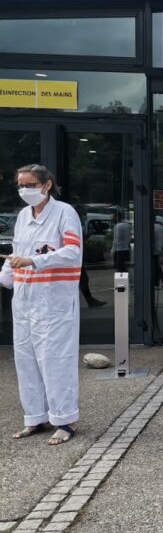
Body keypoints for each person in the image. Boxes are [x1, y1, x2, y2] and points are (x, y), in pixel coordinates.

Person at [1, 164, 84, 446]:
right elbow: (16, 250)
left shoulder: (64, 213)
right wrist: (6, 276)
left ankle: (65, 420)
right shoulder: (23, 216)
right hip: (24, 300)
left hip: (54, 300)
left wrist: (35, 261)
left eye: (30, 185)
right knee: (26, 361)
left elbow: (72, 251)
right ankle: (35, 417)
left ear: (46, 185)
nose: (25, 191)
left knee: (55, 361)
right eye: (21, 186)